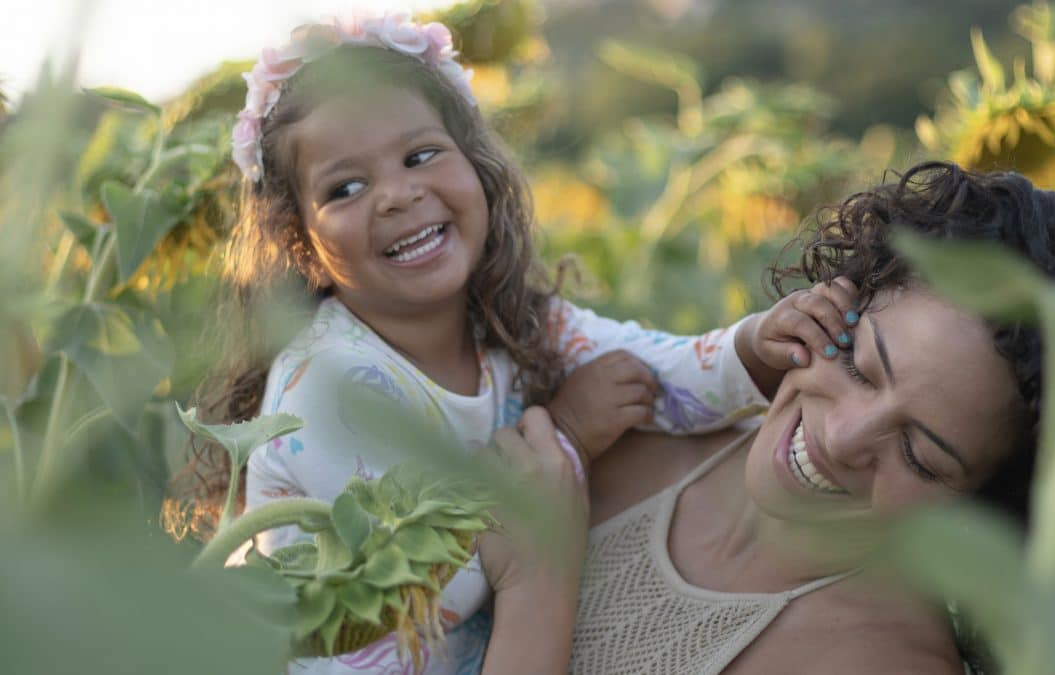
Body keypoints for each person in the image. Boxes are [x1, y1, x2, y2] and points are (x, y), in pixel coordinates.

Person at [165, 10, 856, 674]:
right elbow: (434, 581)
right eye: (345, 186)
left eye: (420, 154)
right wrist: (567, 435)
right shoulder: (328, 382)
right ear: (301, 246)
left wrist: (759, 344)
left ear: (477, 169)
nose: (397, 195)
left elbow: (651, 368)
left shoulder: (508, 318)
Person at [484, 161, 1055, 674]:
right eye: (857, 363)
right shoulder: (624, 425)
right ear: (836, 297)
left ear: (985, 506)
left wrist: (536, 582)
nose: (842, 437)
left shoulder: (881, 662)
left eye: (919, 457)